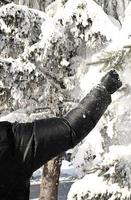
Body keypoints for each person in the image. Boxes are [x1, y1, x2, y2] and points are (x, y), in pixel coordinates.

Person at [0, 69, 122, 199]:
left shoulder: (13, 140)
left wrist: (103, 90)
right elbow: (70, 128)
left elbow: (69, 129)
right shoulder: (12, 139)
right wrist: (103, 89)